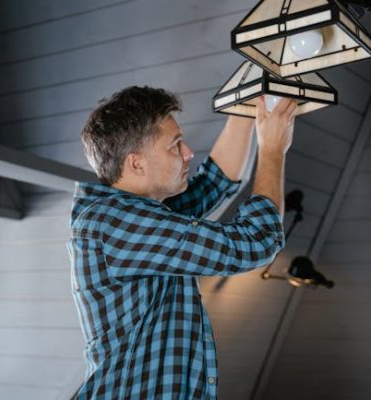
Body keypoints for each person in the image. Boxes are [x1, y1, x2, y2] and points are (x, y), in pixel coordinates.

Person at [67, 86, 296, 399]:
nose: (188, 152)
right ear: (136, 164)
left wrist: (247, 104)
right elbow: (257, 240)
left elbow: (214, 184)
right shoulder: (114, 221)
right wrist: (272, 149)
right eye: (175, 145)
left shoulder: (136, 215)